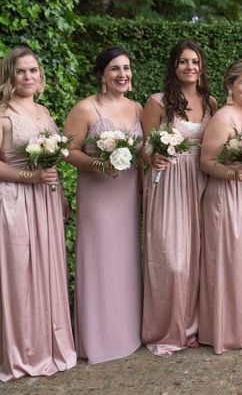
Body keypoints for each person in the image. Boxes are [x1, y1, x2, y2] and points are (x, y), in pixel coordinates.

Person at [0, 47, 76, 381]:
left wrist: (59, 196)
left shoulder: (44, 112)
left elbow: (53, 159)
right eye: (21, 72)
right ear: (9, 76)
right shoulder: (3, 115)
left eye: (33, 71)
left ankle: (49, 346)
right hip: (15, 199)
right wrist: (30, 177)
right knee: (19, 274)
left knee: (48, 269)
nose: (29, 77)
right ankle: (23, 352)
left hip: (46, 198)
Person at [64, 47, 143, 364]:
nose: (122, 74)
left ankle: (127, 333)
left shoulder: (138, 108)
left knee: (125, 261)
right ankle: (98, 340)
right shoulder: (84, 109)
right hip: (97, 195)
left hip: (127, 193)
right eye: (114, 69)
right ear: (102, 74)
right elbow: (67, 152)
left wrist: (144, 192)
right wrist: (98, 164)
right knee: (98, 260)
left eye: (126, 68)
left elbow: (141, 155)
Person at [141, 40, 217, 356]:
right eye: (184, 62)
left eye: (195, 62)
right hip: (169, 180)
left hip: (202, 181)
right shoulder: (158, 102)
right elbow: (144, 146)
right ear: (174, 66)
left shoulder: (211, 103)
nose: (190, 67)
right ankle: (165, 328)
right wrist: (152, 157)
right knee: (171, 259)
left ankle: (191, 327)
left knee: (198, 256)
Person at [199, 60, 242, 354]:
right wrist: (232, 174)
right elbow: (206, 162)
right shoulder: (223, 118)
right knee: (228, 260)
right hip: (225, 197)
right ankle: (227, 330)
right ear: (230, 87)